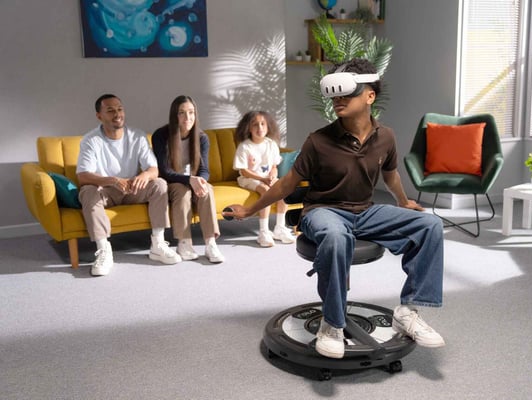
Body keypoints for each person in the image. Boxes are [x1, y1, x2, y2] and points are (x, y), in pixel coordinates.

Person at [224, 59, 445, 359]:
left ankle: (408, 311)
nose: (338, 100)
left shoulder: (386, 137)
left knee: (429, 225)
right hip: (323, 211)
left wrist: (403, 202)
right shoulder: (318, 141)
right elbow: (287, 184)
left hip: (365, 211)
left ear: (370, 96)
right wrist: (249, 211)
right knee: (336, 236)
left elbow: (390, 174)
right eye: (335, 95)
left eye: (348, 94)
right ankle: (332, 323)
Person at [77, 94, 182, 277]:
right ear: (99, 115)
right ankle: (104, 251)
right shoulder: (90, 140)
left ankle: (158, 244)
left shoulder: (137, 136)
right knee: (87, 191)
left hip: (133, 188)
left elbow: (153, 169)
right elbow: (83, 176)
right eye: (110, 110)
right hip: (106, 191)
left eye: (120, 109)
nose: (117, 114)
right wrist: (112, 180)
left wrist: (144, 175)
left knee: (159, 184)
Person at [152, 95, 224, 263]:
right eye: (182, 113)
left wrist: (200, 181)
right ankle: (184, 243)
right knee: (182, 192)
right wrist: (190, 180)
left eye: (191, 112)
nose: (187, 118)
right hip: (171, 182)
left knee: (206, 189)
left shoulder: (201, 137)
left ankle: (210, 243)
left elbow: (204, 169)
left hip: (191, 181)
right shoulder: (161, 135)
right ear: (174, 115)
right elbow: (164, 171)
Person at [232, 111, 296, 247]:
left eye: (263, 124)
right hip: (249, 179)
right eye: (255, 125)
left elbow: (274, 166)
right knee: (266, 191)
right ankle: (263, 232)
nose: (259, 128)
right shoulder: (245, 146)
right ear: (248, 128)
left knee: (283, 189)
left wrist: (272, 176)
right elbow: (244, 171)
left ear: (268, 127)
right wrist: (263, 178)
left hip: (267, 178)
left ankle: (279, 228)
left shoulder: (271, 144)